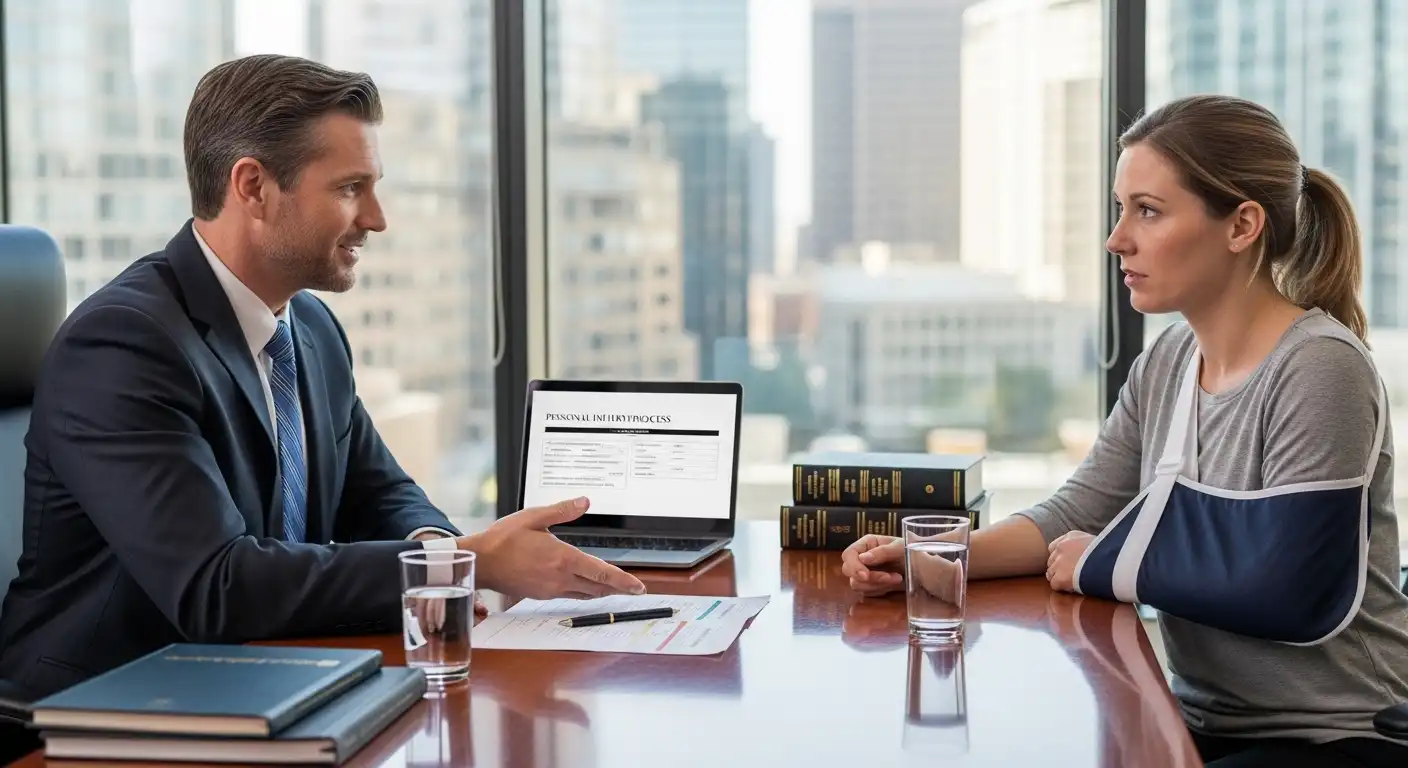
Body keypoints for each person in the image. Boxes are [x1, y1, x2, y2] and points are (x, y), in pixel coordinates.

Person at [0, 54, 645, 702]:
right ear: (252, 187)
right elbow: (217, 586)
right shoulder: (122, 345)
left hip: (264, 684)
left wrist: (439, 556)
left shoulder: (309, 328)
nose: (376, 217)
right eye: (349, 188)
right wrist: (463, 564)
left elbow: (381, 492)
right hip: (102, 713)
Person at [841, 94, 1408, 767]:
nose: (1118, 239)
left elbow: (1294, 592)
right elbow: (1077, 515)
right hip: (1204, 716)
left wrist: (1106, 564)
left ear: (1242, 225)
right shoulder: (1168, 362)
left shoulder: (1319, 366)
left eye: (1149, 211)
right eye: (1121, 209)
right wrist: (932, 563)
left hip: (1344, 732)